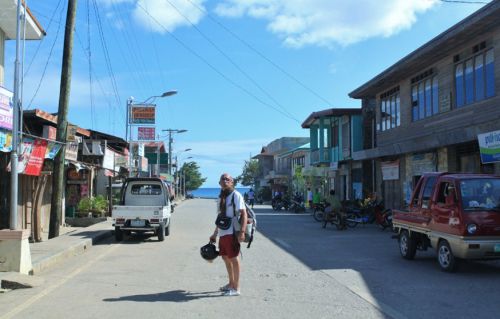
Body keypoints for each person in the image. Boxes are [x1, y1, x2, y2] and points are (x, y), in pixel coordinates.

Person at [209, 173, 248, 296]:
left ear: (232, 182)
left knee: (234, 259)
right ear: (219, 183)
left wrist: (242, 232)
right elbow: (220, 217)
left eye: (228, 179)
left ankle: (236, 288)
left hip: (232, 232)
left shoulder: (236, 195)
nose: (225, 180)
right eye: (223, 179)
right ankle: (231, 283)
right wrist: (215, 234)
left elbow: (244, 213)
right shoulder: (221, 197)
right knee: (225, 258)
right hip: (222, 232)